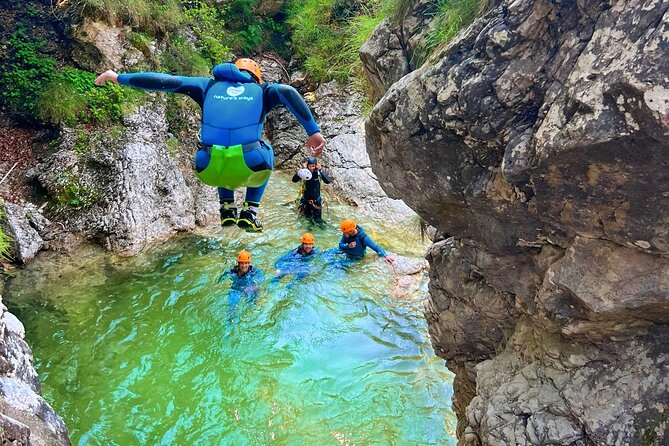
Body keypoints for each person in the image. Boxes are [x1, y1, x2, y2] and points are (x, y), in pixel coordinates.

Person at [94, 58, 326, 232]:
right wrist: (313, 132)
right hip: (252, 163)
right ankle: (250, 211)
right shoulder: (263, 91)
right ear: (256, 78)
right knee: (265, 150)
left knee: (220, 155)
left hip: (206, 167)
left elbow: (164, 80)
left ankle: (226, 207)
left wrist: (118, 77)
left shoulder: (206, 86)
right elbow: (287, 91)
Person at [219, 250, 263, 319]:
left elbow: (261, 283)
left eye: (246, 263)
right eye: (242, 263)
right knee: (232, 308)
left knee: (250, 305)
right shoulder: (233, 271)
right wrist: (220, 282)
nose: (244, 265)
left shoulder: (254, 272)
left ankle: (253, 308)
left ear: (249, 263)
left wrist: (250, 289)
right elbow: (225, 274)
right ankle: (230, 320)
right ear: (238, 263)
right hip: (237, 290)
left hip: (249, 289)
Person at [292, 156, 331, 224]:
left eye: (313, 166)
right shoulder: (304, 172)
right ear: (307, 166)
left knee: (318, 220)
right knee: (308, 219)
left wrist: (321, 169)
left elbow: (327, 181)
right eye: (310, 166)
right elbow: (294, 180)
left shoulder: (318, 173)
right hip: (306, 200)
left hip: (316, 200)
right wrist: (301, 170)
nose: (311, 168)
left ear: (316, 165)